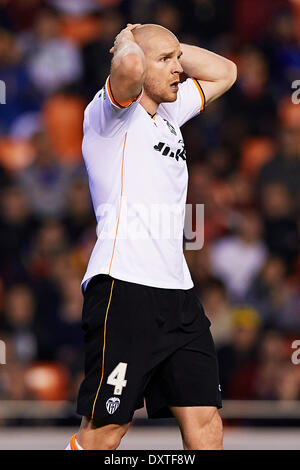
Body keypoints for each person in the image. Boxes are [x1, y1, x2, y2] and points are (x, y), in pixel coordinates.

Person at [65, 23, 237, 451]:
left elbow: (226, 71)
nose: (180, 69)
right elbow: (126, 66)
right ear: (140, 64)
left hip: (178, 295)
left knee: (206, 423)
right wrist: (133, 42)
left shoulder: (171, 114)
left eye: (179, 59)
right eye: (168, 61)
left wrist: (168, 46)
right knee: (106, 432)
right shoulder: (109, 115)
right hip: (124, 288)